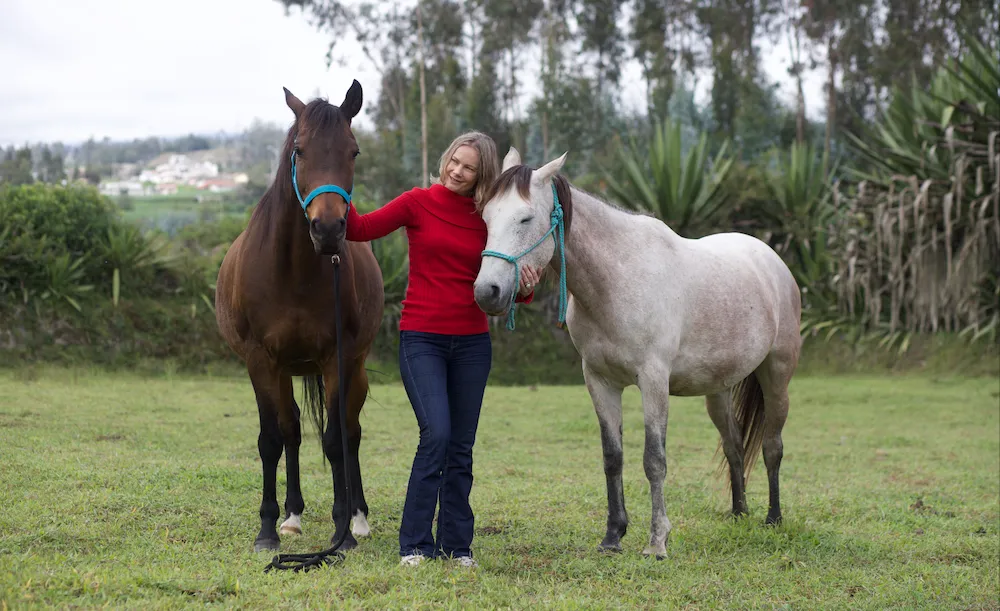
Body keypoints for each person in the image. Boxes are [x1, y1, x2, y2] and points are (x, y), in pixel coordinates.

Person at [345, 131, 542, 567]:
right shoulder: (417, 202)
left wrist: (526, 290)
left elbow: (502, 284)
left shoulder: (488, 217)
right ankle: (415, 543)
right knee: (436, 435)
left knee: (461, 447)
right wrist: (338, 183)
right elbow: (359, 229)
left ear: (481, 175)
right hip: (422, 340)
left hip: (473, 344)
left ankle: (457, 546)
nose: (457, 171)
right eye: (455, 160)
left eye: (469, 167)